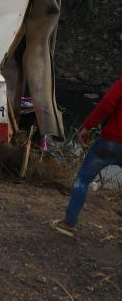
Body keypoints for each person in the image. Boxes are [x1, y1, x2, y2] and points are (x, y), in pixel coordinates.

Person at [51, 78, 122, 237]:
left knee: (83, 179)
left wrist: (88, 126)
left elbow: (107, 104)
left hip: (110, 142)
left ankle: (68, 224)